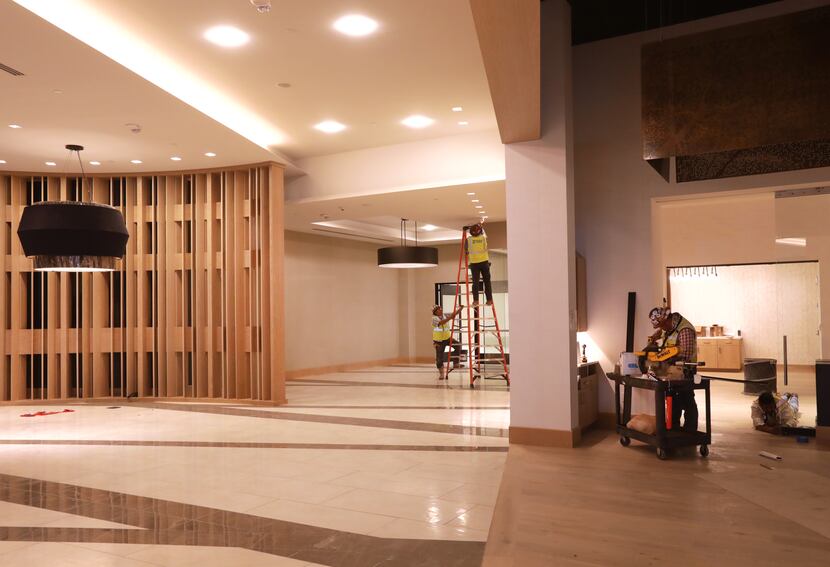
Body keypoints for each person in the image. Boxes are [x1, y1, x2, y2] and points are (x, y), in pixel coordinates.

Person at [648, 306, 698, 431]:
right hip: (671, 371)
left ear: (667, 320)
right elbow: (661, 338)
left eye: (662, 325)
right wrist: (653, 340)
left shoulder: (684, 329)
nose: (661, 329)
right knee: (673, 401)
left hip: (685, 371)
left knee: (687, 401)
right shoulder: (667, 328)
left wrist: (666, 357)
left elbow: (686, 353)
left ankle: (690, 431)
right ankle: (673, 429)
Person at [432, 304, 463, 379]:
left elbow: (453, 314)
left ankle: (456, 363)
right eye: (439, 309)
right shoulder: (434, 318)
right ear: (435, 312)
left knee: (457, 345)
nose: (441, 310)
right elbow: (442, 322)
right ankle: (441, 374)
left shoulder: (445, 315)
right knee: (439, 358)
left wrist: (460, 309)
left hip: (448, 338)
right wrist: (450, 318)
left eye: (441, 309)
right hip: (438, 341)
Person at [465, 223, 493, 307]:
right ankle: (489, 300)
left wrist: (467, 228)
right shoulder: (483, 238)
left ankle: (476, 300)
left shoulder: (468, 240)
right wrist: (480, 227)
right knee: (487, 282)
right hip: (484, 262)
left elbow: (466, 251)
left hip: (474, 264)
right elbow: (482, 231)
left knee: (475, 283)